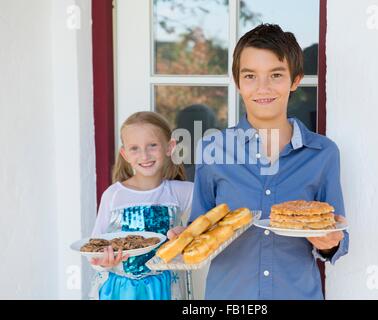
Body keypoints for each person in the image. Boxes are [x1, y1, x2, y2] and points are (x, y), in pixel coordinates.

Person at [168, 24, 349, 299]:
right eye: (250, 76)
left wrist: (329, 244)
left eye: (276, 75)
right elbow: (201, 225)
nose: (262, 88)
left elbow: (337, 237)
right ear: (237, 82)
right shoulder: (212, 150)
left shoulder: (323, 153)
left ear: (295, 80)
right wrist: (185, 237)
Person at [89, 111, 194, 300]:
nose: (144, 155)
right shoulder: (113, 195)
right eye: (134, 148)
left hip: (165, 289)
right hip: (119, 290)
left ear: (169, 147)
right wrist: (103, 261)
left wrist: (188, 231)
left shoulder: (181, 192)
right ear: (125, 154)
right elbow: (94, 248)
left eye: (152, 145)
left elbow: (215, 215)